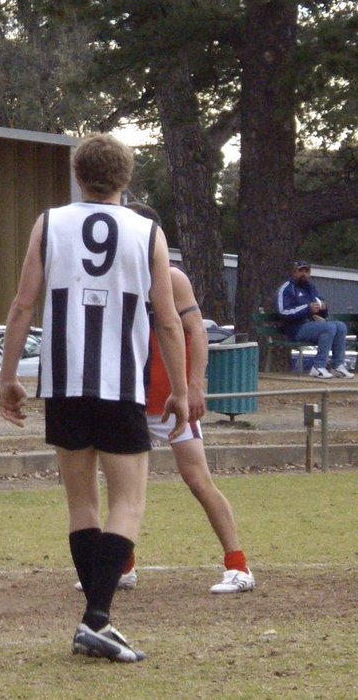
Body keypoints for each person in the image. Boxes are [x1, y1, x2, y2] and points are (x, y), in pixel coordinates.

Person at [0, 134, 189, 664]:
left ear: (78, 175)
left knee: (81, 504)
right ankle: (97, 620)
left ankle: (96, 619)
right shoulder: (147, 229)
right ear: (126, 178)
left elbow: (21, 306)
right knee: (128, 502)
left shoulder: (49, 222)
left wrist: (8, 377)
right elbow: (168, 319)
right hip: (121, 384)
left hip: (62, 381)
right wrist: (182, 388)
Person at [110, 204, 254, 595]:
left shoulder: (172, 278)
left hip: (171, 401)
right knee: (121, 487)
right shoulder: (116, 275)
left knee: (198, 480)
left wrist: (193, 387)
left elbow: (196, 331)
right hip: (129, 399)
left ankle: (238, 566)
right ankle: (123, 568)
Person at [276, 261, 354, 379]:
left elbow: (322, 312)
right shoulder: (287, 288)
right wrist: (308, 308)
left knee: (341, 326)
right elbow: (283, 311)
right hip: (294, 328)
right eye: (300, 271)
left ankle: (338, 365)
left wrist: (323, 307)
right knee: (329, 327)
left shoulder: (310, 288)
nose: (304, 274)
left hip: (312, 324)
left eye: (306, 271)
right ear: (294, 272)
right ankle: (318, 366)